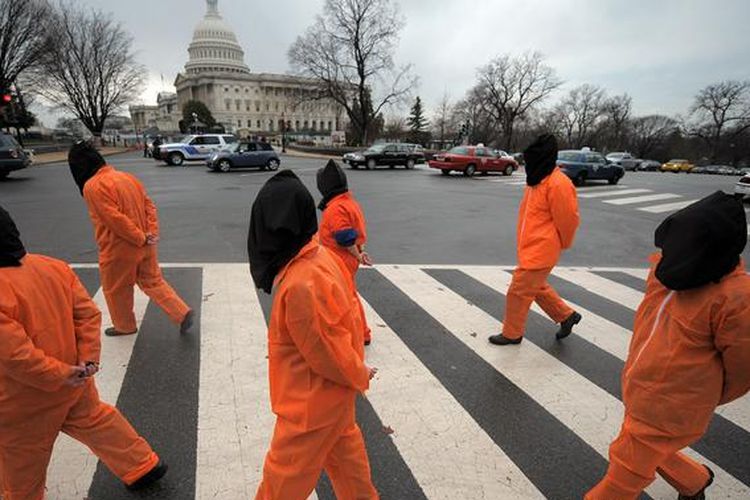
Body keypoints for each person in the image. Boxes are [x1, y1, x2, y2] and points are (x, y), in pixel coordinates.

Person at [586, 192, 750, 500]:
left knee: (625, 471)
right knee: (645, 446)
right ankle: (695, 481)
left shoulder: (736, 297)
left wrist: (704, 396)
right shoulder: (668, 270)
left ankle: (694, 481)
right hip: (640, 386)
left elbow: (744, 367)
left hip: (674, 405)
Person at [0, 205, 167, 499]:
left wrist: (61, 375)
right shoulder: (53, 267)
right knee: (97, 420)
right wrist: (87, 360)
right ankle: (142, 465)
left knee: (22, 460)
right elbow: (87, 315)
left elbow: (16, 356)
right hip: (76, 380)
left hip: (22, 400)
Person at [248, 170, 379, 500]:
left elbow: (325, 349)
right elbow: (341, 324)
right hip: (332, 397)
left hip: (310, 402)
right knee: (347, 460)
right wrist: (355, 370)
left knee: (285, 475)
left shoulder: (301, 280)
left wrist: (357, 372)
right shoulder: (318, 255)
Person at [68, 141, 193, 337]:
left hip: (119, 248)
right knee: (153, 281)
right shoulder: (128, 178)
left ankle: (124, 326)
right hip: (146, 244)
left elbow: (114, 220)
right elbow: (149, 206)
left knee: (116, 289)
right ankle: (181, 312)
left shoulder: (92, 187)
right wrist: (150, 233)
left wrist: (139, 237)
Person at [489, 133, 582, 346]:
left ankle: (512, 333)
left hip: (542, 249)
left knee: (518, 291)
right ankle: (567, 316)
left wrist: (562, 244)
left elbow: (569, 220)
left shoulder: (558, 183)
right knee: (535, 286)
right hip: (531, 247)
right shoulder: (538, 180)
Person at [316, 159, 373, 345]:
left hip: (339, 261)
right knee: (349, 296)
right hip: (346, 260)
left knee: (347, 299)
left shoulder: (335, 209)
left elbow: (345, 237)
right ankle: (360, 333)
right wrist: (360, 252)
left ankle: (360, 334)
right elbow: (355, 233)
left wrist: (358, 255)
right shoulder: (349, 202)